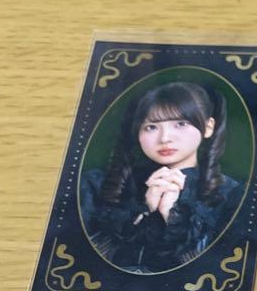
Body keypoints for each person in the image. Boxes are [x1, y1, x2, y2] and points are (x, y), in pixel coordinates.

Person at [80, 81, 240, 272]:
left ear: (208, 127)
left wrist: (172, 216)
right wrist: (143, 212)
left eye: (181, 124)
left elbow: (217, 270)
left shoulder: (232, 194)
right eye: (151, 127)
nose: (164, 138)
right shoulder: (96, 184)